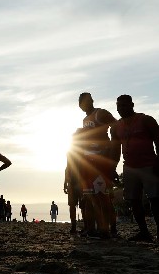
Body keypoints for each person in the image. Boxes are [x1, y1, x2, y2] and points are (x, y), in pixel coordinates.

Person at [111, 94, 159, 242]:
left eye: (124, 105)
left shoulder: (146, 120)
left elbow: (158, 140)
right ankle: (144, 232)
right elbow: (115, 150)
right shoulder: (115, 127)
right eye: (118, 106)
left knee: (155, 199)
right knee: (133, 200)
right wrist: (112, 168)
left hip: (149, 165)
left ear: (132, 105)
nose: (121, 109)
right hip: (129, 167)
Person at [77, 92, 117, 238]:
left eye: (85, 101)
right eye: (80, 102)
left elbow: (116, 127)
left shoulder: (100, 113)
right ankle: (91, 228)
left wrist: (109, 151)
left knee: (102, 196)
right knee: (89, 196)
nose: (82, 105)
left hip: (101, 160)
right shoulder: (85, 119)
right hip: (87, 161)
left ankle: (106, 230)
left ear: (91, 100)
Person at [64, 130, 84, 233]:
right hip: (73, 181)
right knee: (74, 205)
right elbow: (67, 167)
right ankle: (74, 225)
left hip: (81, 181)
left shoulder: (83, 150)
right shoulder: (70, 152)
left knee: (82, 204)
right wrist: (65, 181)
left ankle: (81, 226)